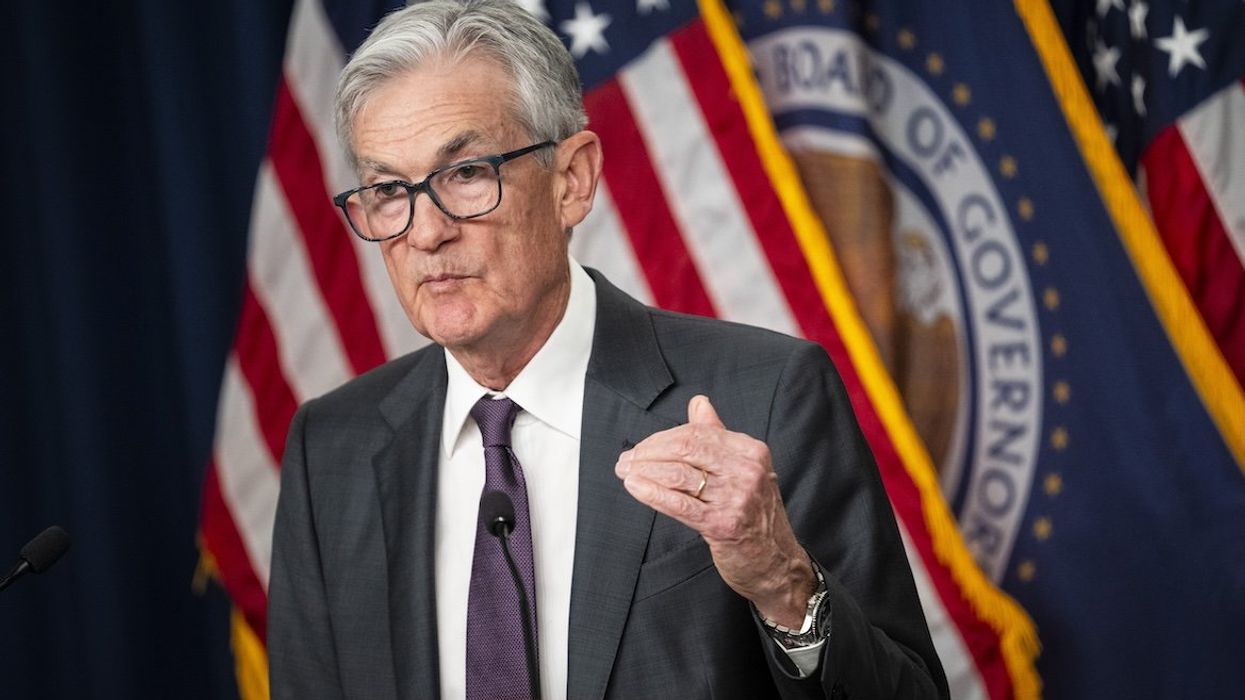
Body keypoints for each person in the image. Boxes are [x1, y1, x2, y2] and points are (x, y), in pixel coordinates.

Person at [268, 1, 949, 698]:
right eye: (388, 190)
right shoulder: (332, 449)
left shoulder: (767, 395)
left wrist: (781, 581)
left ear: (572, 179)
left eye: (466, 173)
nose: (425, 232)